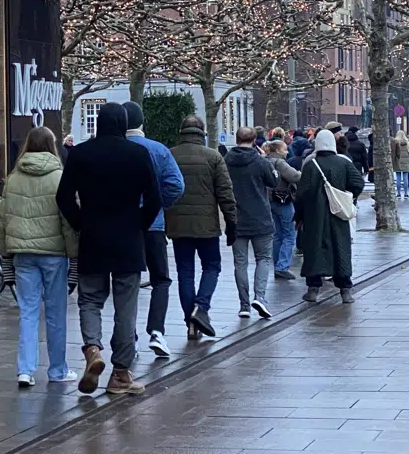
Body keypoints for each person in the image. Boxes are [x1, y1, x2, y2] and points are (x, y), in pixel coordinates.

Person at [57, 102, 162, 396]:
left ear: (98, 123)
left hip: (93, 238)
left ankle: (93, 349)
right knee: (126, 308)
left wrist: (81, 222)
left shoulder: (80, 154)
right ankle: (120, 374)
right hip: (128, 241)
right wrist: (140, 224)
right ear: (124, 124)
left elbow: (63, 197)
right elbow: (155, 198)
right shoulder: (138, 154)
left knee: (90, 299)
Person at [0, 126, 78, 388]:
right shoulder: (59, 177)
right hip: (54, 254)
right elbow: (68, 222)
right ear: (52, 145)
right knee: (56, 314)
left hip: (23, 255)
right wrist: (74, 256)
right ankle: (57, 370)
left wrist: (5, 255)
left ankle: (25, 370)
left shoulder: (13, 179)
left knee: (28, 312)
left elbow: (3, 221)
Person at [167, 115, 237, 341]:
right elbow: (225, 193)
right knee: (212, 266)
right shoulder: (213, 156)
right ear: (202, 132)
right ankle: (201, 306)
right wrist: (232, 223)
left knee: (185, 272)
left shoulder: (171, 155)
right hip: (207, 224)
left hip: (178, 225)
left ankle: (191, 323)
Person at [125, 101, 185, 359]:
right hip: (154, 225)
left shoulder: (115, 149)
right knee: (161, 279)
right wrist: (160, 205)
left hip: (123, 226)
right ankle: (157, 331)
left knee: (127, 281)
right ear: (142, 122)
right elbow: (176, 185)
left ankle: (129, 335)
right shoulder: (159, 150)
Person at [226, 128, 293, 319]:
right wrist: (267, 162)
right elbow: (274, 181)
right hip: (261, 218)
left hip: (236, 218)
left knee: (240, 263)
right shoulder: (260, 161)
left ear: (237, 139)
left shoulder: (226, 160)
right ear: (254, 140)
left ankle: (244, 305)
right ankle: (260, 297)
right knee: (263, 258)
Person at [297, 129, 365, 304]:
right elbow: (358, 183)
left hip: (314, 216)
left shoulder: (311, 165)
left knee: (314, 250)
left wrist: (299, 215)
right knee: (340, 248)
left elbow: (302, 193)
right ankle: (345, 290)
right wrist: (348, 197)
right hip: (338, 214)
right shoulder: (343, 163)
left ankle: (313, 289)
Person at [263, 140, 300, 280]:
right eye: (285, 149)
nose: (287, 152)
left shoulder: (265, 161)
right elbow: (295, 176)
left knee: (277, 235)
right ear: (278, 150)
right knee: (290, 234)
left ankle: (277, 265)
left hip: (270, 200)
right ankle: (282, 267)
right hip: (283, 200)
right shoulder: (280, 163)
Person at [392, 130, 409, 199]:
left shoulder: (395, 143)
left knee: (398, 178)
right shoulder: (408, 144)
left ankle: (398, 193)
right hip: (406, 163)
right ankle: (406, 193)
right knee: (405, 178)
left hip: (397, 163)